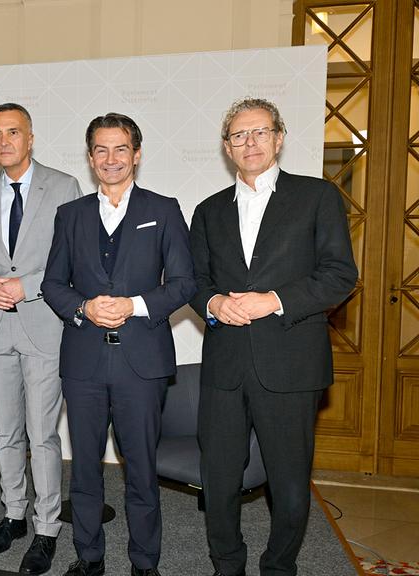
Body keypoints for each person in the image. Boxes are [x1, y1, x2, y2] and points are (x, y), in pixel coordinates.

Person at [189, 98, 357, 576]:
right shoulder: (208, 211)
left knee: (288, 485)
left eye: (259, 133)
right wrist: (214, 304)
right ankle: (227, 566)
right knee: (218, 480)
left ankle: (279, 567)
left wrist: (274, 299)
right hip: (224, 365)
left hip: (291, 364)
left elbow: (340, 275)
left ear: (279, 138)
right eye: (239, 136)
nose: (250, 143)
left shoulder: (317, 197)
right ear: (227, 148)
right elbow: (197, 282)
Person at [42, 113, 196, 576]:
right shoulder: (70, 215)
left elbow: (185, 283)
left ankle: (144, 563)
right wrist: (85, 307)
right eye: (102, 151)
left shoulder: (163, 209)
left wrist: (134, 305)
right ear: (90, 158)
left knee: (141, 471)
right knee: (85, 470)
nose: (111, 159)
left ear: (137, 154)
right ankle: (88, 558)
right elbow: (52, 284)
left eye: (121, 149)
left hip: (141, 364)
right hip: (84, 362)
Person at [0, 103, 82, 575]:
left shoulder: (64, 186)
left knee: (42, 435)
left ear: (30, 138)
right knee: (5, 431)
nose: (4, 142)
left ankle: (47, 527)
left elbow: (71, 258)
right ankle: (14, 513)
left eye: (13, 132)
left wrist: (26, 285)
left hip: (43, 326)